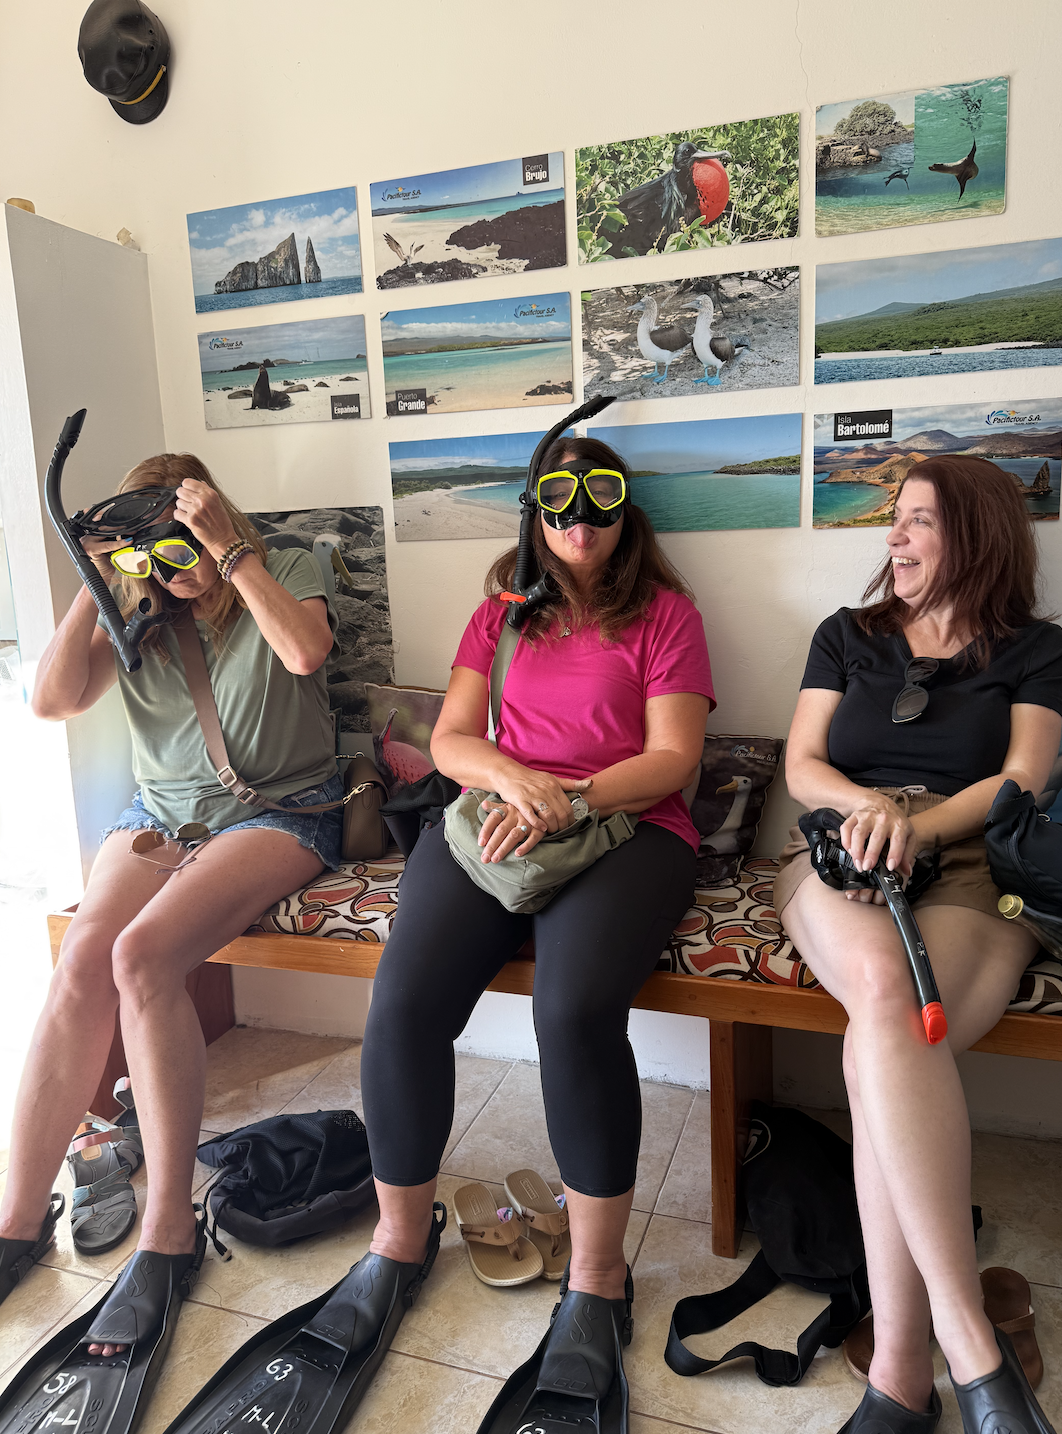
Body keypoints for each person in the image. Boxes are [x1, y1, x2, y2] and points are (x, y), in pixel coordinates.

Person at [359, 434, 714, 1426]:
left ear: (623, 510)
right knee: (404, 1003)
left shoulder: (666, 615)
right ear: (534, 510)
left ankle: (597, 1279)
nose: (577, 520)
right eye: (558, 502)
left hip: (631, 826)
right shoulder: (500, 613)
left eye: (598, 502)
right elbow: (451, 740)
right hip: (500, 824)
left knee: (572, 1011)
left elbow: (674, 757)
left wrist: (570, 795)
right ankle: (396, 1242)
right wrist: (512, 780)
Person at [0, 454, 342, 1354]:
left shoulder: (287, 563)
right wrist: (98, 575)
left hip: (280, 812)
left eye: (177, 535)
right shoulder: (138, 607)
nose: (168, 560)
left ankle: (167, 1233)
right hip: (158, 816)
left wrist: (229, 558)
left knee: (142, 958)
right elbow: (49, 702)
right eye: (150, 544)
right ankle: (17, 1219)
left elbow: (305, 652)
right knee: (82, 959)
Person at [777, 458, 1062, 1434]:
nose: (892, 539)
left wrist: (924, 826)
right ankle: (974, 1352)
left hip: (976, 859)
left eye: (916, 523)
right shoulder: (845, 638)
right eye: (892, 521)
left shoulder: (1033, 648)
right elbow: (801, 763)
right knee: (880, 985)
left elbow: (1022, 777)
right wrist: (867, 812)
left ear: (977, 535)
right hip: (843, 857)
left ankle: (899, 1373)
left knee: (886, 1032)